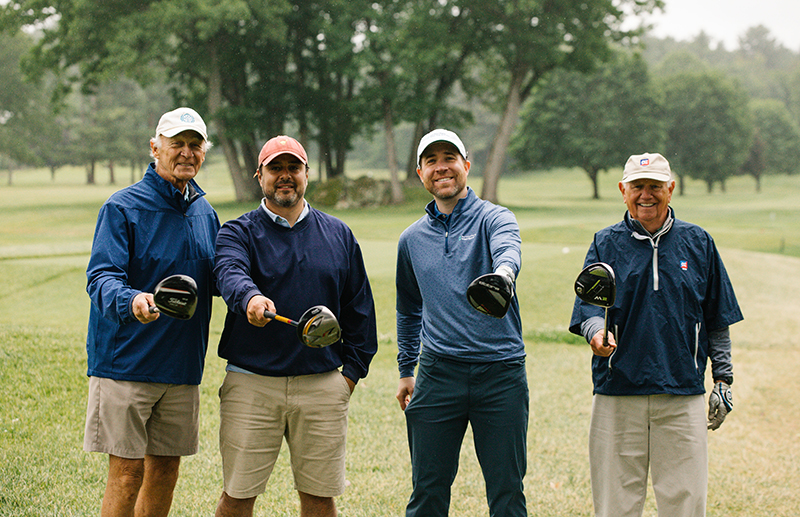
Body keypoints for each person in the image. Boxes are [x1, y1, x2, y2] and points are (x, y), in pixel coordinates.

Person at [569, 152, 743, 517]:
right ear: (623, 190)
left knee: (685, 504)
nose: (645, 195)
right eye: (637, 187)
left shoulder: (699, 243)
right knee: (615, 505)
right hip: (618, 391)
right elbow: (587, 307)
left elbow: (717, 319)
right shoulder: (605, 243)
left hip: (682, 392)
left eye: (654, 187)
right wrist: (595, 335)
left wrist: (723, 380)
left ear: (671, 189)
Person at [212, 135, 378, 517]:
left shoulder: (339, 234)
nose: (285, 176)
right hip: (251, 384)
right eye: (275, 168)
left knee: (319, 498)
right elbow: (229, 272)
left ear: (307, 174)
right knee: (237, 496)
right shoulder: (237, 232)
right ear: (259, 176)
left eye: (293, 168)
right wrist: (250, 298)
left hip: (322, 387)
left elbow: (360, 312)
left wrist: (348, 377)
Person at [83, 107, 219, 516]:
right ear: (155, 147)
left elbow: (219, 277)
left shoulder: (205, 213)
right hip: (127, 363)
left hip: (180, 368)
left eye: (195, 145)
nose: (186, 153)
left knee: (164, 472)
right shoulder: (122, 207)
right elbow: (101, 277)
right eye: (177, 144)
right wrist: (133, 301)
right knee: (126, 475)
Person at [395, 129, 528, 516]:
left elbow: (508, 247)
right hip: (439, 374)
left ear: (466, 165)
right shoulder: (411, 239)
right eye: (431, 161)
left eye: (449, 158)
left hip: (500, 372)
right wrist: (407, 370)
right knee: (427, 492)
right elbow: (409, 308)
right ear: (421, 173)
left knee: (507, 492)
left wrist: (503, 274)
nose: (442, 168)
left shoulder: (494, 218)